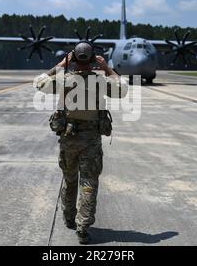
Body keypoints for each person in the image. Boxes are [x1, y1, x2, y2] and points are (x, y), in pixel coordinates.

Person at [34, 42, 128, 244]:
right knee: (89, 183)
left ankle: (69, 217)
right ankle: (83, 227)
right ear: (93, 59)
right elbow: (122, 90)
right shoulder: (101, 81)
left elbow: (39, 83)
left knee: (69, 179)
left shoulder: (63, 80)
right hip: (91, 141)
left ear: (74, 59)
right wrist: (106, 67)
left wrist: (60, 64)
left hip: (68, 138)